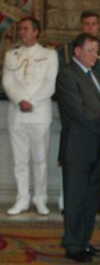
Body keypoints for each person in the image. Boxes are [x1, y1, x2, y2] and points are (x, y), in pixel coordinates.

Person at [56, 33, 100, 263]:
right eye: (91, 51)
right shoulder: (67, 75)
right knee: (75, 199)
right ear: (77, 51)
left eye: (97, 51)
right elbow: (80, 113)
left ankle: (83, 241)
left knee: (90, 201)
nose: (95, 56)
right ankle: (72, 244)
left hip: (97, 148)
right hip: (78, 150)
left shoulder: (93, 74)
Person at [2, 17, 58, 216]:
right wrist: (20, 100)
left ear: (36, 32)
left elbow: (50, 85)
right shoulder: (11, 55)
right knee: (20, 161)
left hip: (39, 114)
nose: (22, 32)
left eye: (26, 29)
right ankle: (22, 199)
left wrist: (31, 102)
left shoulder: (49, 55)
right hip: (17, 114)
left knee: (40, 160)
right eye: (20, 29)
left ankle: (40, 200)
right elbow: (8, 82)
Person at [57, 10, 100, 99]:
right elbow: (62, 77)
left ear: (98, 26)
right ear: (81, 26)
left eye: (94, 24)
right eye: (87, 24)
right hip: (77, 99)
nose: (90, 28)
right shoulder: (68, 49)